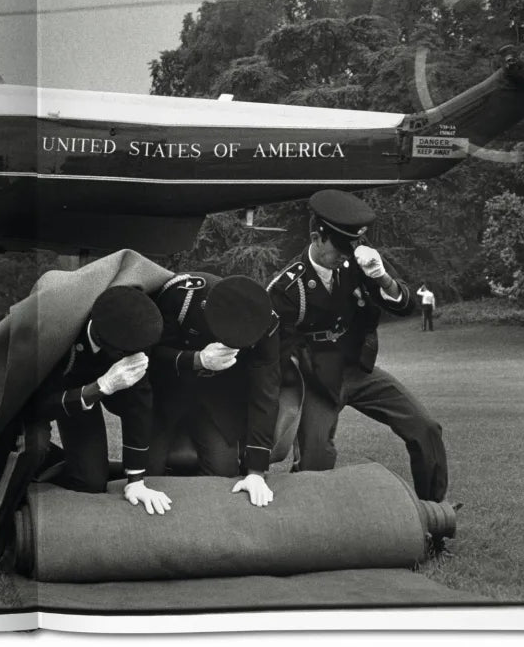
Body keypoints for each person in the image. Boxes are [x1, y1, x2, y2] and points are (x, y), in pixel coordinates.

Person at [0, 282, 171, 578]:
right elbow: (33, 404)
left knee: (91, 480)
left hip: (82, 396)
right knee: (31, 448)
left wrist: (136, 480)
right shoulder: (55, 331)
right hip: (29, 399)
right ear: (107, 340)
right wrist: (100, 388)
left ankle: (14, 489)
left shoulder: (129, 339)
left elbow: (139, 409)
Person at [268, 189, 448, 503]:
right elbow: (275, 348)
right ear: (317, 237)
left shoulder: (359, 263)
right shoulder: (287, 285)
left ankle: (434, 515)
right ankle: (308, 524)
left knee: (425, 428)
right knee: (316, 459)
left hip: (357, 368)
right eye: (338, 249)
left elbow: (405, 305)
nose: (344, 257)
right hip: (315, 376)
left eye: (349, 249)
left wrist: (381, 278)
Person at [149, 273, 282, 506]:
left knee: (225, 473)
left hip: (218, 398)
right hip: (167, 393)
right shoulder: (184, 296)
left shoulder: (266, 323)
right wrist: (195, 359)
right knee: (148, 472)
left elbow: (265, 395)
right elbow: (151, 354)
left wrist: (256, 472)